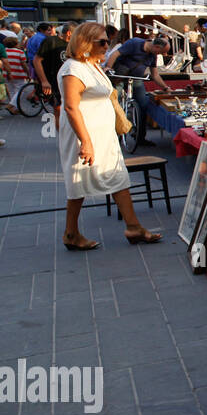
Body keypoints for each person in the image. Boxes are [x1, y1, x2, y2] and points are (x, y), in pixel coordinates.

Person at [58, 23, 162, 250]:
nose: (108, 46)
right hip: (84, 136)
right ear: (84, 43)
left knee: (118, 177)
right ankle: (71, 233)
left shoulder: (92, 66)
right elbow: (71, 107)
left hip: (103, 136)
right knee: (79, 183)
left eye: (107, 41)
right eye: (102, 42)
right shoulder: (72, 69)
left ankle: (133, 226)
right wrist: (85, 141)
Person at [106, 35, 172, 144]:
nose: (160, 55)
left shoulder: (152, 56)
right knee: (114, 103)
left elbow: (155, 75)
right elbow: (115, 54)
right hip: (121, 76)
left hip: (136, 79)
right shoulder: (134, 43)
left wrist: (165, 87)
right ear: (156, 46)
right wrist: (108, 67)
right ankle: (113, 134)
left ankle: (140, 136)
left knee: (143, 104)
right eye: (160, 52)